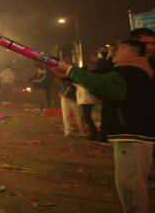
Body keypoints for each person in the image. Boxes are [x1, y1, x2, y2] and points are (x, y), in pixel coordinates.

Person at [51, 39, 155, 213]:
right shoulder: (136, 71)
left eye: (120, 48)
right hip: (135, 135)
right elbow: (98, 79)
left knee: (130, 186)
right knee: (134, 184)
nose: (114, 51)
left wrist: (70, 70)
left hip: (131, 136)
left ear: (134, 53)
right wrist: (70, 74)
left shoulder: (129, 72)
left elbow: (99, 84)